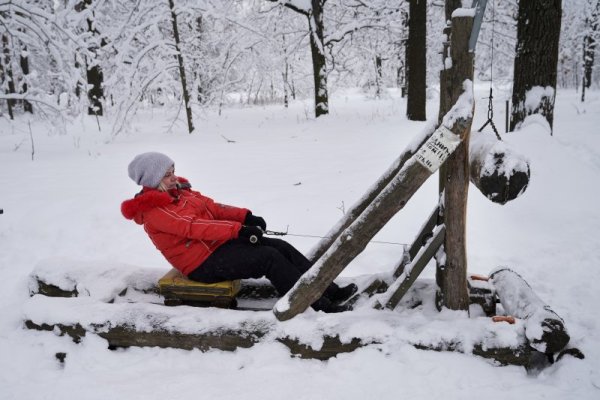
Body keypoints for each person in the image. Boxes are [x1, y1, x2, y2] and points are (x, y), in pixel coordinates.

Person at [121, 152, 357, 313]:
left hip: (216, 247)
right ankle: (315, 304)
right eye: (167, 175)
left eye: (173, 171)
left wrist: (245, 216)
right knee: (269, 259)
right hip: (201, 264)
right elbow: (193, 227)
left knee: (278, 247)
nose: (173, 177)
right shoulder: (156, 210)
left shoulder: (180, 192)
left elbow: (213, 208)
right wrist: (239, 231)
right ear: (152, 180)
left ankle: (329, 290)